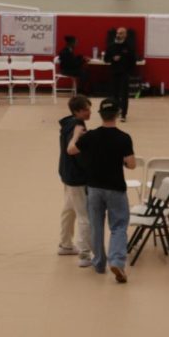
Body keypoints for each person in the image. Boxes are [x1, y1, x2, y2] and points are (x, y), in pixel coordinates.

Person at [68, 97, 136, 284]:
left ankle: (99, 263)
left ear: (100, 115)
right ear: (117, 114)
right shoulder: (123, 138)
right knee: (119, 226)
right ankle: (116, 261)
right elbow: (131, 165)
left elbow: (72, 150)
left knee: (96, 226)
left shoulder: (90, 136)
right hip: (115, 188)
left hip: (94, 188)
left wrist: (76, 136)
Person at [57, 95, 93, 264]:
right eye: (86, 109)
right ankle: (85, 253)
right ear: (77, 111)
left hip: (67, 174)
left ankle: (65, 245)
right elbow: (79, 154)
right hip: (77, 178)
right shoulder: (78, 129)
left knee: (68, 210)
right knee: (84, 215)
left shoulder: (68, 124)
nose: (90, 112)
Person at [103, 26, 137, 122]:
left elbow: (133, 61)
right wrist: (112, 59)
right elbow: (105, 59)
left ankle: (123, 114)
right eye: (117, 33)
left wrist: (129, 72)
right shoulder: (111, 46)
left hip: (124, 74)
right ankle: (116, 111)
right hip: (114, 73)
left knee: (124, 95)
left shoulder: (129, 47)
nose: (118, 35)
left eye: (121, 33)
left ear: (125, 35)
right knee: (114, 94)